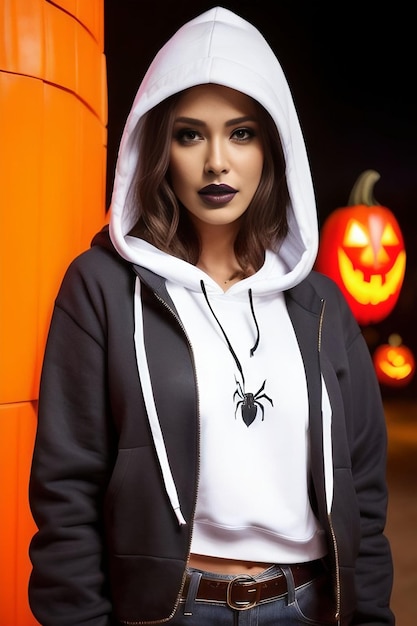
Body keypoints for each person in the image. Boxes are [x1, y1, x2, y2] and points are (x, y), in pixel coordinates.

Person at [28, 6, 394, 626]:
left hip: (308, 608)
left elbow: (364, 497)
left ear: (273, 149)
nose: (217, 161)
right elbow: (67, 494)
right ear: (156, 146)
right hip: (169, 612)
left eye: (243, 133)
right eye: (190, 133)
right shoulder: (101, 287)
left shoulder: (324, 306)